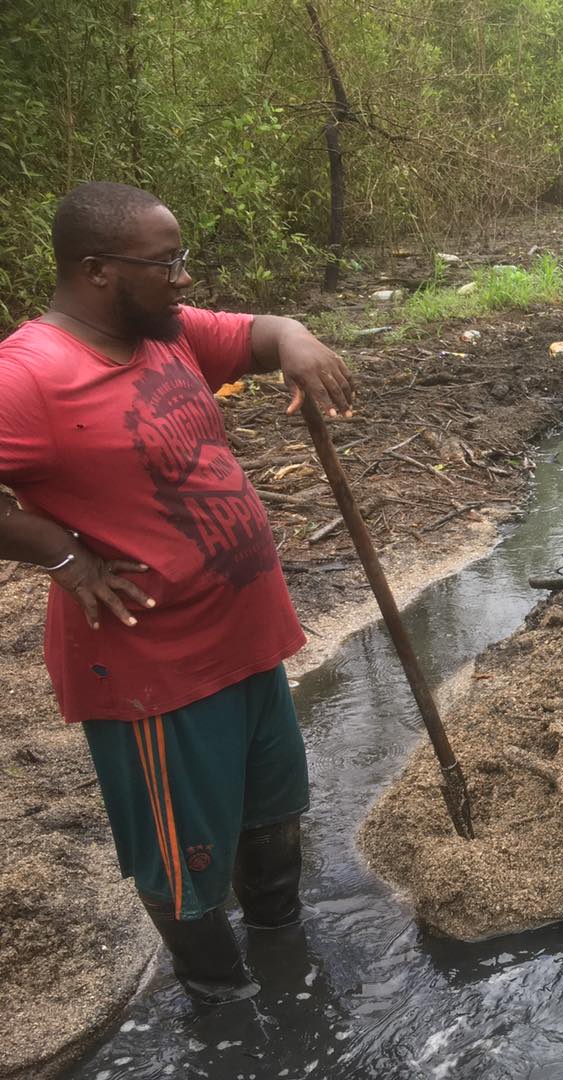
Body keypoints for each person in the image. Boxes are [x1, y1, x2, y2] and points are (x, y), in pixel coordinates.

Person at [0, 181, 355, 1004]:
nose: (186, 280)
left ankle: (284, 961)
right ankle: (220, 1001)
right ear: (96, 270)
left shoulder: (165, 334)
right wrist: (64, 559)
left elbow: (260, 333)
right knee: (181, 861)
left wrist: (294, 339)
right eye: (168, 265)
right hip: (156, 673)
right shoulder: (34, 373)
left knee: (271, 822)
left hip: (247, 641)